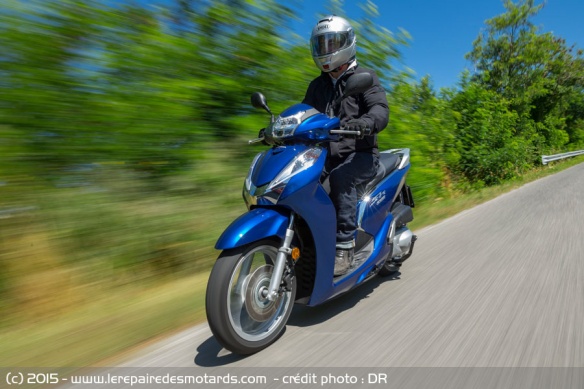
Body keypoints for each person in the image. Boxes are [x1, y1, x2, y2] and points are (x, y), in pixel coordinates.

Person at [302, 15, 389, 276]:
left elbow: (380, 110)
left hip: (360, 155)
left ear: (347, 43)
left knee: (341, 179)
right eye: (322, 45)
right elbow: (304, 114)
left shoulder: (365, 77)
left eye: (332, 43)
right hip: (326, 154)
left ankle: (344, 248)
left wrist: (365, 123)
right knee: (301, 184)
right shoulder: (317, 85)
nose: (327, 51)